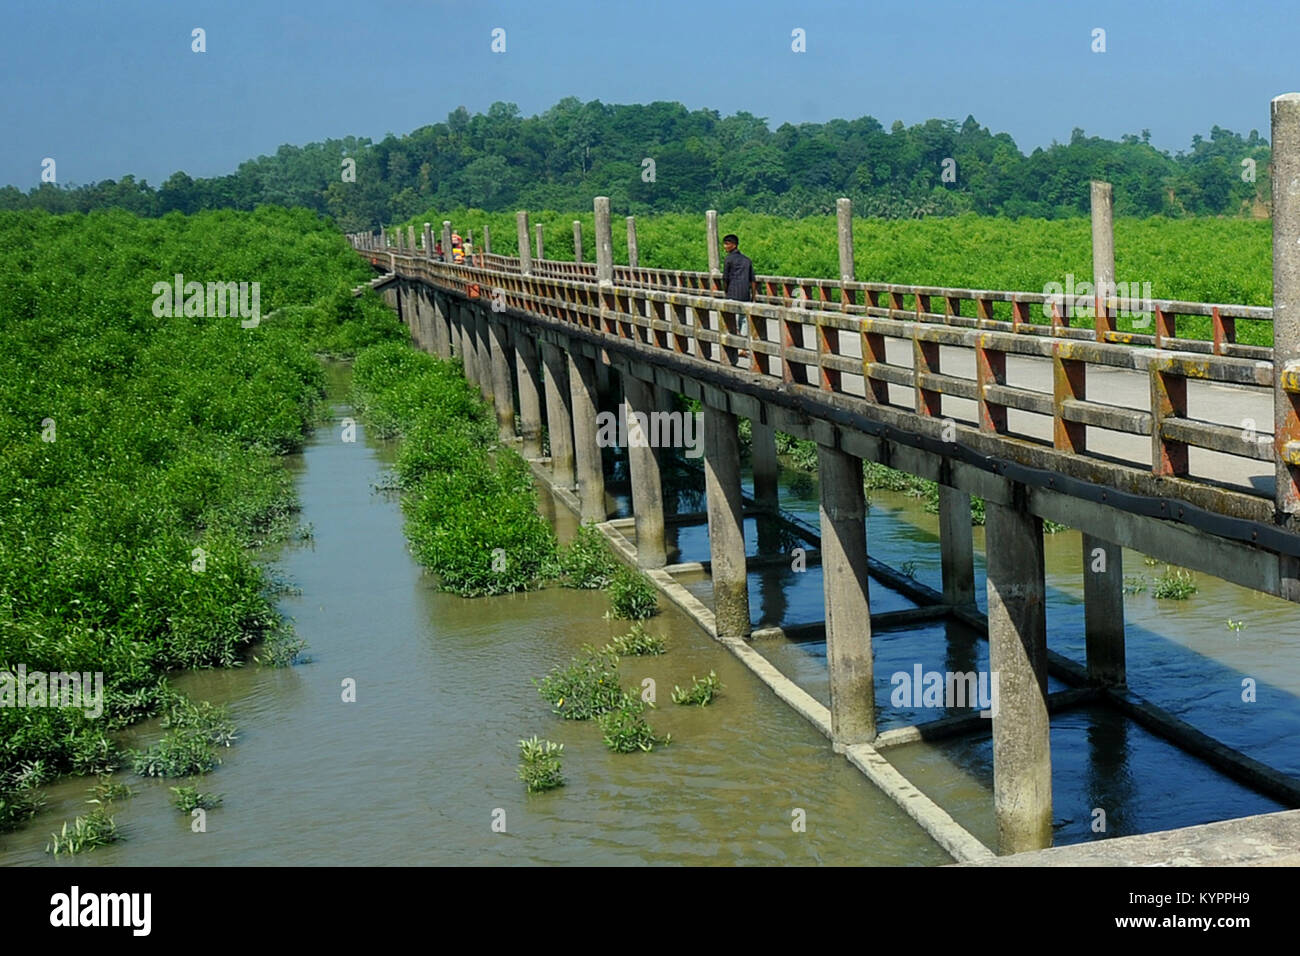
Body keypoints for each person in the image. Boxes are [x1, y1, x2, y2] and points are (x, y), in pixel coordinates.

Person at [721, 233, 755, 346]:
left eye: (727, 244)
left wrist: (726, 292)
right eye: (724, 244)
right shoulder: (747, 260)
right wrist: (753, 296)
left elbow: (725, 278)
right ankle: (743, 346)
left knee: (732, 320)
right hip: (745, 294)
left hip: (732, 293)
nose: (725, 246)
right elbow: (753, 280)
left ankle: (734, 344)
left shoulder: (728, 259)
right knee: (743, 320)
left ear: (734, 245)